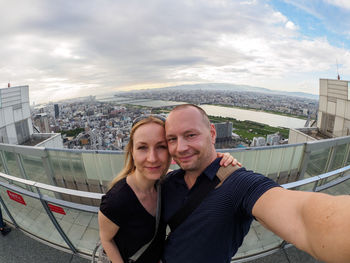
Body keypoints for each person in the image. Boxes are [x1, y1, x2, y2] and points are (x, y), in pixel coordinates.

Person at [161, 104, 350, 263]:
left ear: (212, 133)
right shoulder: (170, 180)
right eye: (172, 139)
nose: (181, 147)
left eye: (191, 135)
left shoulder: (239, 184)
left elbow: (301, 215)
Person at [98, 115, 239, 263]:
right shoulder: (117, 200)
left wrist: (221, 161)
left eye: (161, 147)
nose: (152, 158)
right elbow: (106, 239)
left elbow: (199, 170)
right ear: (132, 152)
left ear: (170, 152)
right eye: (142, 147)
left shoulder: (166, 183)